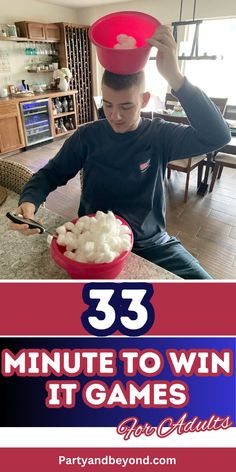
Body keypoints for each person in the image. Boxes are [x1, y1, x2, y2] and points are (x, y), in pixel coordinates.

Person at [8, 25, 230, 279]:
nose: (115, 115)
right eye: (108, 104)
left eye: (126, 106)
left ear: (144, 100)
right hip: (94, 242)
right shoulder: (87, 136)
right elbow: (50, 174)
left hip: (152, 244)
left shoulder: (160, 135)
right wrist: (28, 202)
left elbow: (218, 135)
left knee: (213, 296)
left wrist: (175, 77)